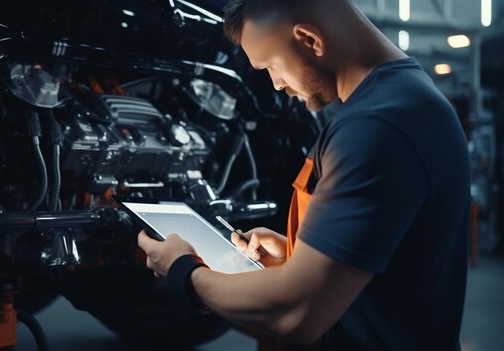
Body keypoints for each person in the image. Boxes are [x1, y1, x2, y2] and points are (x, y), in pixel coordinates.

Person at [138, 0, 470, 349]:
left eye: (270, 67)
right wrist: (299, 257)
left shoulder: (377, 126)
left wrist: (184, 272)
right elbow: (394, 267)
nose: (277, 85)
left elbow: (297, 313)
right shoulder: (399, 102)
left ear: (310, 40)